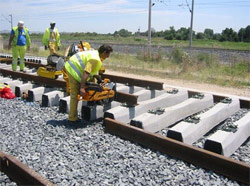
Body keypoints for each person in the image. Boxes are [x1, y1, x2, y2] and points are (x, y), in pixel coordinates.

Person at [64, 44, 113, 123]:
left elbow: (92, 71)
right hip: (72, 69)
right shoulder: (95, 59)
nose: (108, 56)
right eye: (108, 54)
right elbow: (86, 72)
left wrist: (99, 79)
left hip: (74, 65)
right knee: (75, 94)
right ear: (104, 52)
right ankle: (72, 119)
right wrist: (82, 88)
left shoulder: (95, 54)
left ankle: (91, 100)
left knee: (92, 81)